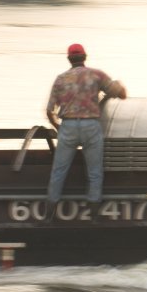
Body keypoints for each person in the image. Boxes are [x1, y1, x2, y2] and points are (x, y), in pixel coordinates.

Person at [44, 43, 127, 223]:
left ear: (69, 59)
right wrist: (118, 85)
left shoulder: (60, 79)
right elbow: (122, 95)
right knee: (95, 171)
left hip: (68, 125)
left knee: (59, 171)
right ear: (85, 57)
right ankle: (95, 214)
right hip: (91, 126)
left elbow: (49, 111)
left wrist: (58, 127)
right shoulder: (97, 75)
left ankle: (49, 213)